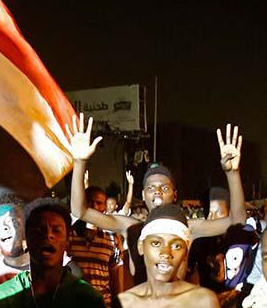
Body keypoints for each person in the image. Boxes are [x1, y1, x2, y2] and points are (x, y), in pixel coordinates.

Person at [67, 114, 246, 283]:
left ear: (174, 194)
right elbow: (79, 210)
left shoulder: (188, 227)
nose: (157, 192)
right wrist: (79, 162)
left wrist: (232, 173)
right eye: (151, 188)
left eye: (164, 188)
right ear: (144, 195)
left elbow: (237, 220)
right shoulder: (131, 227)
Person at [67, 184, 123, 308]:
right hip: (74, 307)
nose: (94, 207)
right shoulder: (68, 235)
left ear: (104, 207)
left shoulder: (112, 238)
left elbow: (115, 277)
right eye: (89, 202)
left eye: (99, 203)